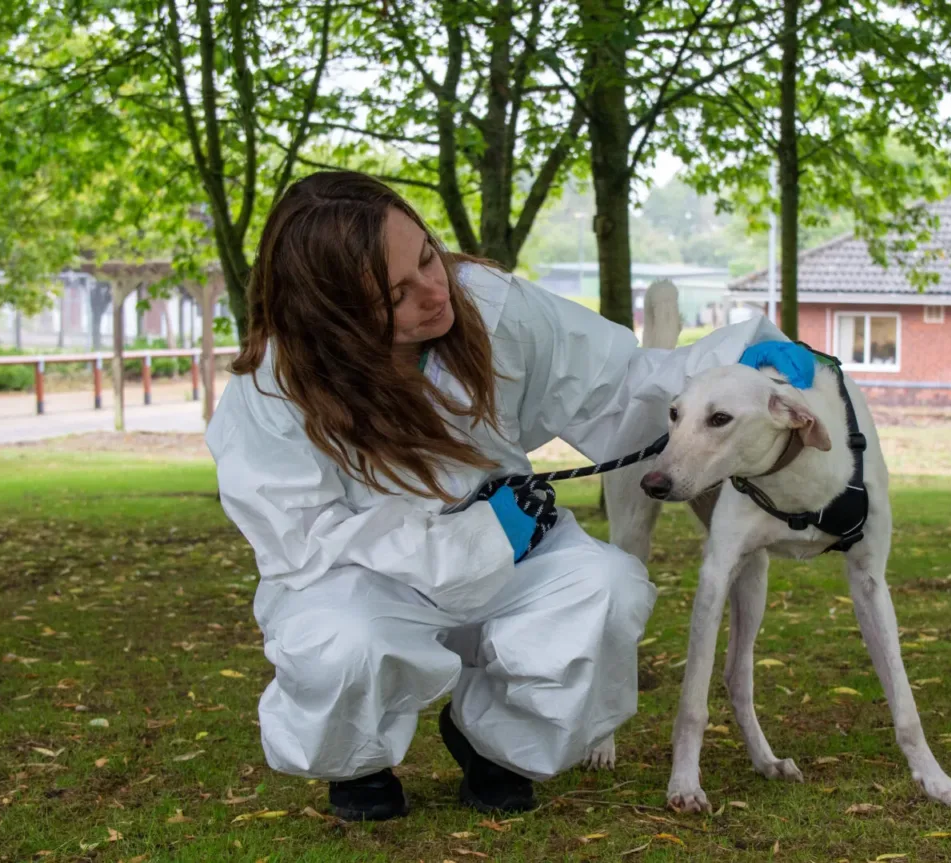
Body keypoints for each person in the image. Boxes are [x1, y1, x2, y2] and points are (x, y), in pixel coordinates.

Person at [206, 170, 812, 821]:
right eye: (396, 295)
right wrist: (479, 537)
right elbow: (304, 541)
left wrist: (741, 357)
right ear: (334, 316)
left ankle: (492, 744)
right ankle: (358, 763)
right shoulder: (273, 391)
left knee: (605, 587)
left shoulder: (484, 305)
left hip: (509, 547)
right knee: (340, 640)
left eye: (428, 257)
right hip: (365, 580)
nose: (434, 292)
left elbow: (617, 382)